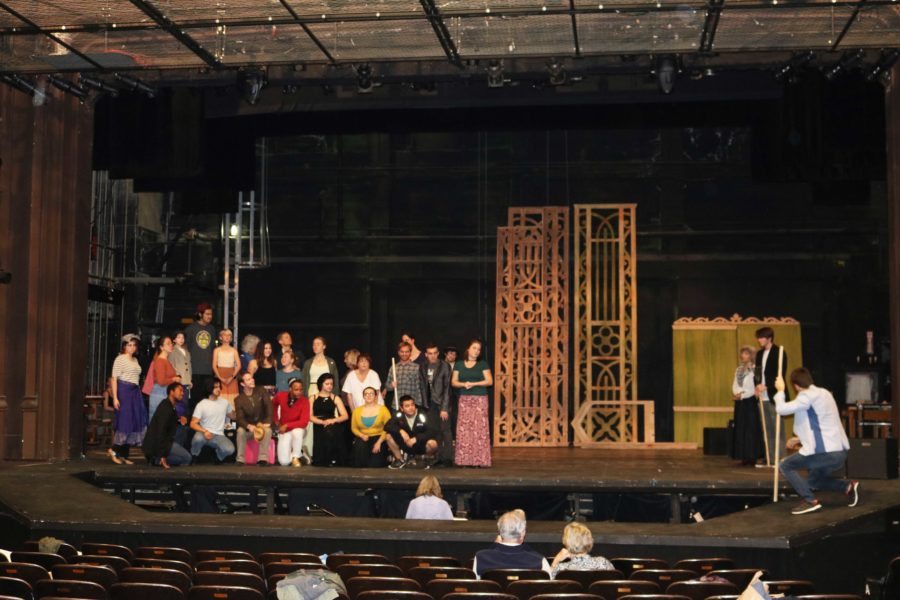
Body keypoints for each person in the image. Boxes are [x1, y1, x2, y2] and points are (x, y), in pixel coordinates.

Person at [774, 368, 858, 515]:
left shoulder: (806, 396)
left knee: (785, 465)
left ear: (796, 385)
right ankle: (848, 487)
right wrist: (799, 438)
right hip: (840, 451)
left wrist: (780, 390)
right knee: (813, 481)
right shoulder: (824, 393)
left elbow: (781, 409)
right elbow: (822, 421)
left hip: (826, 453)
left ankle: (809, 501)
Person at [452, 339, 493, 468]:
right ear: (468, 349)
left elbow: (489, 381)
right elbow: (454, 382)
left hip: (480, 399)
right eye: (474, 348)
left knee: (479, 430)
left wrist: (474, 383)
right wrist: (464, 384)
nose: (476, 351)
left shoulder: (482, 364)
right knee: (465, 430)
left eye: (479, 349)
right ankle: (464, 460)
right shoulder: (459, 364)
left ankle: (479, 460)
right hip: (465, 399)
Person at [473, 509, 550, 577]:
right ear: (523, 533)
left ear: (499, 532)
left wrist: (494, 545)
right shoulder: (539, 561)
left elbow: (476, 589)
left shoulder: (481, 558)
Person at [301, 336, 341, 461]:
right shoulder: (308, 363)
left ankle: (328, 452)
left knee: (329, 420)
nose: (315, 346)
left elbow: (335, 380)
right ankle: (309, 452)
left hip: (328, 393)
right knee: (310, 422)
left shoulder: (331, 362)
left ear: (324, 346)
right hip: (312, 392)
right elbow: (304, 381)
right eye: (313, 344)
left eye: (318, 344)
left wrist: (335, 397)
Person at [108, 334, 145, 465]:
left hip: (134, 391)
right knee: (125, 421)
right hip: (124, 391)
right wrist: (115, 398)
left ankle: (123, 454)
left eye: (134, 345)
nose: (132, 347)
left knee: (133, 421)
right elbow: (114, 378)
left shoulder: (135, 360)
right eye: (129, 345)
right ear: (124, 346)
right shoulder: (120, 359)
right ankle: (113, 450)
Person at [755, 326, 787, 466]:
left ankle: (781, 459)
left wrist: (767, 385)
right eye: (758, 337)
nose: (759, 340)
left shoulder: (779, 352)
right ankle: (770, 458)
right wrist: (757, 385)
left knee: (777, 428)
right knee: (766, 429)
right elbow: (757, 373)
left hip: (774, 395)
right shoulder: (759, 354)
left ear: (769, 338)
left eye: (761, 337)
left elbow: (780, 373)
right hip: (762, 396)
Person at [142, 383, 191, 469]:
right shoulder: (166, 407)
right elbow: (160, 431)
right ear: (172, 392)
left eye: (183, 391)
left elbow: (170, 423)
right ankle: (158, 458)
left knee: (183, 430)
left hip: (165, 442)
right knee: (187, 458)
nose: (182, 393)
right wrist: (162, 454)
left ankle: (158, 458)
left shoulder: (170, 406)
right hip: (157, 445)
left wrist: (179, 420)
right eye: (180, 390)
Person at [385, 395, 439, 469]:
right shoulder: (398, 414)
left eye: (412, 405)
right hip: (406, 443)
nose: (411, 408)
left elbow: (433, 431)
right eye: (407, 406)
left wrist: (416, 439)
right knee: (388, 436)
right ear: (402, 408)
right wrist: (401, 431)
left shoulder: (424, 413)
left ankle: (427, 459)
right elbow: (387, 426)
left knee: (433, 443)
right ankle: (400, 460)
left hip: (421, 444)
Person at [731, 345, 763, 466]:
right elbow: (735, 383)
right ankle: (743, 456)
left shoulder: (755, 369)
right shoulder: (738, 369)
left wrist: (742, 395)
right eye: (742, 353)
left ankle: (752, 456)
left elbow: (754, 387)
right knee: (741, 428)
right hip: (740, 402)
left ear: (751, 355)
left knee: (750, 429)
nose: (743, 356)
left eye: (746, 353)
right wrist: (736, 393)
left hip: (750, 402)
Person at [190, 379, 236, 463]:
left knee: (230, 450)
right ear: (209, 388)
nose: (218, 389)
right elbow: (193, 424)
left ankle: (217, 457)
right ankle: (194, 455)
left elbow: (234, 416)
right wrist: (205, 431)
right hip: (204, 433)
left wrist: (240, 407)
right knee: (197, 438)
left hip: (219, 435)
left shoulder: (225, 402)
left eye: (219, 387)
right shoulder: (202, 404)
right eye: (215, 387)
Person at [309, 373, 350, 467]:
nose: (330, 386)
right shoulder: (313, 397)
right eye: (327, 384)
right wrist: (322, 422)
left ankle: (333, 458)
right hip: (318, 422)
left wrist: (333, 420)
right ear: (321, 384)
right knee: (327, 431)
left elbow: (345, 416)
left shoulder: (335, 397)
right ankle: (327, 459)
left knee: (331, 430)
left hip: (332, 423)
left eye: (331, 384)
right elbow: (310, 416)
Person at [423, 343, 454, 465]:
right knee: (434, 431)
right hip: (429, 404)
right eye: (429, 353)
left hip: (442, 403)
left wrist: (444, 408)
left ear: (438, 353)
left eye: (435, 353)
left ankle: (447, 459)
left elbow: (447, 388)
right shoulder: (423, 366)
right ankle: (438, 457)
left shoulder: (444, 366)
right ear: (426, 354)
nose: (432, 356)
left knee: (446, 431)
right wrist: (424, 405)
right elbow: (421, 386)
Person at [549, 522, 614, 579]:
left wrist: (555, 561)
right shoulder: (603, 563)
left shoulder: (561, 569)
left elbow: (548, 586)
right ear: (590, 541)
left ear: (567, 543)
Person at [234, 372, 273, 466]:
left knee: (268, 430)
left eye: (251, 378)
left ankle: (262, 459)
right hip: (249, 430)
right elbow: (239, 418)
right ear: (242, 384)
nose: (252, 380)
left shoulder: (261, 390)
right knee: (240, 431)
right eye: (248, 379)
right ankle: (240, 459)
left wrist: (268, 421)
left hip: (261, 426)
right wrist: (248, 426)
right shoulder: (238, 399)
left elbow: (269, 407)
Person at [350, 386, 392, 468]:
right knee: (360, 460)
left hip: (379, 438)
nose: (368, 396)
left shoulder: (383, 410)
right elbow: (354, 428)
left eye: (371, 394)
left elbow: (388, 428)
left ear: (376, 396)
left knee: (375, 464)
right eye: (366, 394)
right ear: (363, 396)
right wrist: (361, 435)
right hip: (363, 437)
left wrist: (379, 442)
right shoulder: (357, 411)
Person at [185, 303, 216, 412]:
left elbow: (213, 349)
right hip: (194, 371)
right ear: (200, 314)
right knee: (194, 402)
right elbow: (185, 349)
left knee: (207, 401)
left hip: (208, 372)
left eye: (211, 314)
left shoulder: (212, 329)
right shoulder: (191, 329)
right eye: (207, 314)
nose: (210, 316)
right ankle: (193, 427)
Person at [273, 378, 310, 467]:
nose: (299, 392)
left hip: (299, 430)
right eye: (296, 389)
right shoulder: (281, 396)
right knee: (284, 462)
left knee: (297, 432)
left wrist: (287, 425)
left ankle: (295, 457)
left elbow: (304, 422)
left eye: (301, 390)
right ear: (290, 389)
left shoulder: (305, 401)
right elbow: (273, 405)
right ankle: (301, 454)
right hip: (284, 430)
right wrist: (276, 420)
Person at [148, 336, 182, 420]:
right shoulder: (160, 361)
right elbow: (161, 381)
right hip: (159, 393)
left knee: (163, 421)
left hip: (164, 392)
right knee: (158, 422)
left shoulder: (165, 360)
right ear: (161, 347)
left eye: (171, 343)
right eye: (168, 344)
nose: (171, 345)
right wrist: (174, 379)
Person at [384, 342, 426, 410]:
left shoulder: (417, 368)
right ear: (398, 352)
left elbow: (419, 388)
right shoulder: (393, 368)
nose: (404, 354)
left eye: (407, 352)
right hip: (396, 405)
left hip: (411, 406)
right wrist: (391, 386)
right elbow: (387, 387)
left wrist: (418, 404)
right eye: (402, 352)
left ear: (410, 352)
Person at [213, 328, 241, 408]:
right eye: (225, 335)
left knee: (232, 402)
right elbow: (214, 366)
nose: (227, 337)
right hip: (220, 375)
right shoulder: (217, 350)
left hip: (231, 376)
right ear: (221, 337)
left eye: (229, 335)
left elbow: (239, 365)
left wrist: (231, 377)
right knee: (220, 398)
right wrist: (220, 378)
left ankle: (231, 420)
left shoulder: (234, 350)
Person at [169, 331, 193, 410]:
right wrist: (176, 376)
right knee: (179, 403)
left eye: (182, 337)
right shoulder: (172, 350)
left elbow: (189, 367)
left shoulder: (187, 352)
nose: (181, 339)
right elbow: (171, 365)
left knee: (185, 403)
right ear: (174, 339)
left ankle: (183, 420)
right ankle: (179, 421)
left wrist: (190, 380)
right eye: (178, 337)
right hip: (178, 381)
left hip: (186, 381)